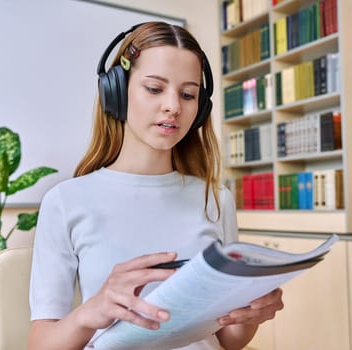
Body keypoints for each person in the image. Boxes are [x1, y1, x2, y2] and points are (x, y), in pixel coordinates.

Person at [27, 21, 283, 350]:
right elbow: (40, 343)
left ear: (200, 108)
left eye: (188, 94)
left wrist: (251, 313)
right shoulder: (65, 201)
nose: (173, 106)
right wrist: (96, 309)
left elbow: (228, 340)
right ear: (117, 92)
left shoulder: (216, 199)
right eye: (154, 88)